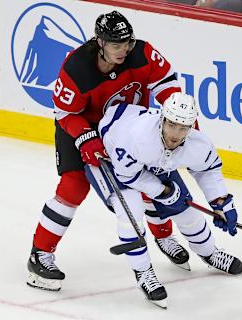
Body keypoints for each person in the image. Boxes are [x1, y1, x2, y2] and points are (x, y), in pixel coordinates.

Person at [27, 11, 190, 292]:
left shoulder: (143, 54)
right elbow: (64, 112)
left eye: (126, 43)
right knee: (73, 187)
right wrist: (86, 138)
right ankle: (40, 254)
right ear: (100, 42)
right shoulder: (77, 67)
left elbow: (167, 84)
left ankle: (163, 236)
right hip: (81, 125)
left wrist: (175, 116)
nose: (124, 50)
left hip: (128, 127)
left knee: (150, 177)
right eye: (116, 45)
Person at [86, 92, 242, 308]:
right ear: (162, 119)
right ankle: (143, 273)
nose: (176, 134)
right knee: (130, 215)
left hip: (149, 159)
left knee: (187, 211)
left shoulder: (197, 143)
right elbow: (128, 176)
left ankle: (209, 253)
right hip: (113, 159)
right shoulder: (138, 138)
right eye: (171, 125)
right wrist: (161, 191)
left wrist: (221, 202)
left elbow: (208, 170)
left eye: (183, 127)